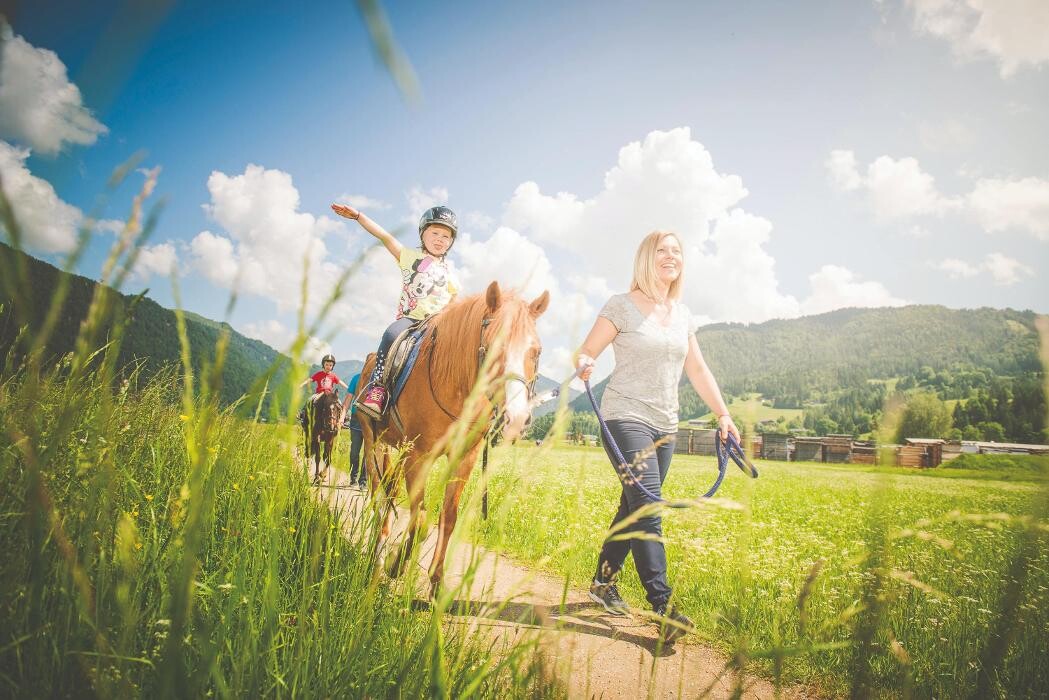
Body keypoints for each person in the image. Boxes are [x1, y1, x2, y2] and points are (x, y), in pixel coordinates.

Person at [575, 230, 740, 645]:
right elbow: (587, 350)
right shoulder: (621, 305)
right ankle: (663, 607)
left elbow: (698, 370)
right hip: (624, 417)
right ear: (647, 258)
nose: (671, 256)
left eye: (677, 251)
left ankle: (602, 582)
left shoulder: (682, 314)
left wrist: (723, 413)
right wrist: (583, 360)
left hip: (667, 425)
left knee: (633, 506)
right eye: (662, 250)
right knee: (648, 507)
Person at [331, 202, 460, 417]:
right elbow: (385, 237)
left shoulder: (451, 273)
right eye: (435, 232)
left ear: (451, 242)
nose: (440, 239)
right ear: (422, 234)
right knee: (391, 334)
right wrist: (359, 216)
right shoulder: (410, 257)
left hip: (437, 325)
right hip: (411, 320)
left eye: (446, 236)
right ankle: (378, 388)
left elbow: (454, 301)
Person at [297, 354, 348, 422]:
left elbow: (340, 382)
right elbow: (310, 380)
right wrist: (302, 384)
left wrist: (348, 388)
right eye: (326, 364)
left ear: (332, 366)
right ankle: (302, 414)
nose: (328, 367)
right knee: (310, 399)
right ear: (323, 364)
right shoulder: (319, 374)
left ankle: (343, 417)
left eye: (330, 365)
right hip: (319, 393)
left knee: (339, 402)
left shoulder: (333, 375)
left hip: (329, 394)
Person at [341, 371, 366, 488]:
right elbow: (348, 398)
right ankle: (353, 478)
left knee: (368, 452)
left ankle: (363, 481)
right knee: (355, 451)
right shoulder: (356, 378)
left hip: (372, 420)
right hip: (356, 419)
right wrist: (342, 417)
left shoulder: (378, 377)